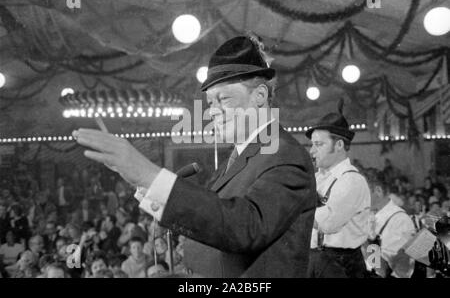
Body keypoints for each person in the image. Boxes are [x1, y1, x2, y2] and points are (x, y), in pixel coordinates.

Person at [73, 35, 316, 277]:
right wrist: (142, 181)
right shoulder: (243, 156)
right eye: (211, 102)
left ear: (260, 96)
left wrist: (150, 174)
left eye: (224, 99)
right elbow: (215, 215)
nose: (213, 111)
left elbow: (244, 227)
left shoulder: (284, 153)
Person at [306, 101, 371, 278]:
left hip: (341, 264)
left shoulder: (351, 180)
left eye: (319, 145)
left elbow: (327, 223)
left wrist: (295, 209)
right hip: (314, 259)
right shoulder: (318, 178)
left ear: (339, 145)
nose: (312, 151)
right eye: (312, 144)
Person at [364, 175, 416, 278]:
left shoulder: (399, 220)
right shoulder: (368, 215)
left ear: (378, 191)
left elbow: (397, 270)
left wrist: (365, 244)